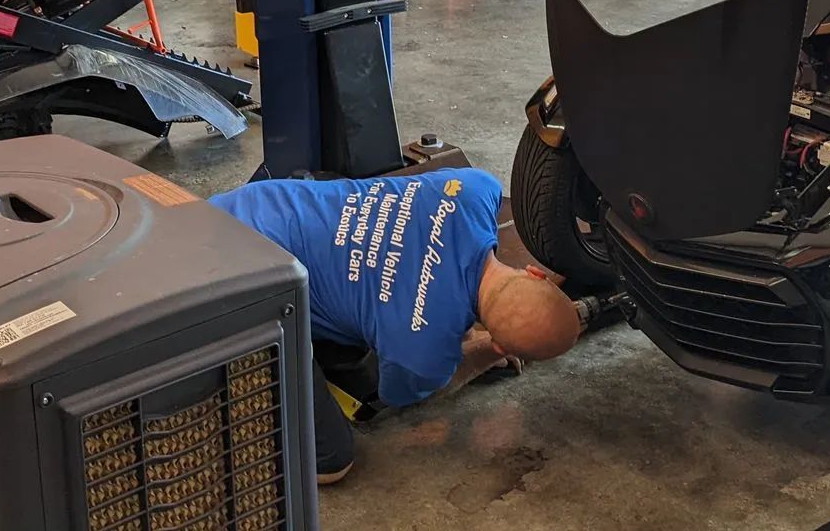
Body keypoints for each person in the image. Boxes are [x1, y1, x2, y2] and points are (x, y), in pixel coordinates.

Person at [210, 167, 582, 484]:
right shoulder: (421, 356)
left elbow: (435, 263)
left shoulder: (477, 188)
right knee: (333, 461)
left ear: (536, 274)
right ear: (504, 346)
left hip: (241, 209)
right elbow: (400, 392)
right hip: (228, 286)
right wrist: (482, 352)